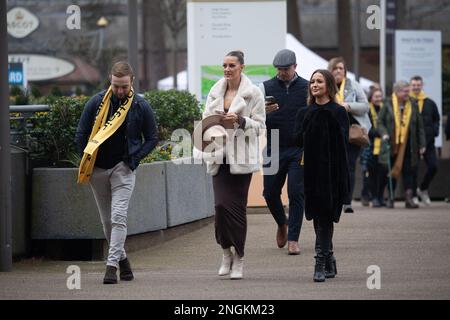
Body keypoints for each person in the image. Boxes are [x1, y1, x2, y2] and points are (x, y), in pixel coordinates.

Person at [75, 61, 158, 284]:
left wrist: (133, 160)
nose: (120, 91)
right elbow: (81, 135)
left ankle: (111, 266)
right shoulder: (95, 103)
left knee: (118, 217)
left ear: (132, 82)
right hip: (98, 170)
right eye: (115, 86)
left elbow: (152, 138)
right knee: (106, 221)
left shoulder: (140, 105)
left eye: (123, 86)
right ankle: (124, 262)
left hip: (123, 169)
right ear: (110, 81)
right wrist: (87, 160)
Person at [200, 50, 265, 280]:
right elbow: (205, 118)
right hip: (218, 156)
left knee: (235, 210)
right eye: (224, 65)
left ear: (242, 67)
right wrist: (216, 118)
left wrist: (240, 120)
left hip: (241, 160)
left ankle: (239, 258)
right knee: (219, 208)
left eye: (232, 66)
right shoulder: (215, 90)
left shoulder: (253, 92)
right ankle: (225, 252)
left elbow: (260, 127)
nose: (227, 69)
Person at [294, 69, 350, 282]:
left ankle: (319, 262)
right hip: (311, 172)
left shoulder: (338, 112)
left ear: (328, 85)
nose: (314, 85)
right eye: (312, 82)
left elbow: (343, 146)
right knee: (318, 218)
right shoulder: (304, 113)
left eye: (319, 81)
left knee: (326, 216)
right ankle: (329, 258)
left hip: (332, 173)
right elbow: (297, 140)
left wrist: (344, 179)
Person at [260, 49, 308, 255]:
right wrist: (262, 111)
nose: (282, 73)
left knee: (296, 193)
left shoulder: (307, 87)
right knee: (269, 193)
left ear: (295, 67)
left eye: (286, 69)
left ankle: (293, 239)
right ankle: (282, 223)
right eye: (279, 70)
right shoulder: (265, 87)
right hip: (274, 145)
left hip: (299, 147)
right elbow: (253, 115)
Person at [328, 57, 371, 213]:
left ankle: (347, 201)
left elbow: (365, 106)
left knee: (350, 166)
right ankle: (334, 198)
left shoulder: (353, 85)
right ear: (330, 70)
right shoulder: (326, 85)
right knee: (333, 167)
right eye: (335, 68)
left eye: (341, 68)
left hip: (352, 133)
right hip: (332, 133)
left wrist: (348, 105)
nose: (339, 71)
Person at [377, 80, 426, 209]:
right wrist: (384, 134)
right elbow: (380, 122)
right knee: (392, 171)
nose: (407, 93)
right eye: (405, 91)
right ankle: (391, 198)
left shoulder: (413, 104)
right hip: (392, 144)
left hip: (408, 145)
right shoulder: (387, 103)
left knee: (408, 171)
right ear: (397, 92)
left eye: (407, 91)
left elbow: (419, 126)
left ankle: (408, 199)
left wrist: (422, 144)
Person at [409, 76, 441, 206]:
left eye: (418, 85)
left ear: (422, 85)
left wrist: (434, 131)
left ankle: (422, 189)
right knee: (414, 170)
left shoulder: (430, 103)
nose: (416, 87)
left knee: (433, 167)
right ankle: (414, 195)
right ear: (411, 86)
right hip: (413, 142)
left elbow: (436, 119)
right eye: (414, 85)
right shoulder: (408, 102)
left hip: (429, 141)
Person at [367, 88, 388, 207]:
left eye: (380, 96)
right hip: (371, 146)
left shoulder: (386, 109)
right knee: (373, 173)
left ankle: (381, 196)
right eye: (376, 96)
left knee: (383, 173)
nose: (378, 99)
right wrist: (380, 132)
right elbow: (367, 128)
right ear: (371, 97)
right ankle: (374, 197)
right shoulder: (368, 109)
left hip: (384, 146)